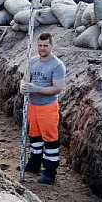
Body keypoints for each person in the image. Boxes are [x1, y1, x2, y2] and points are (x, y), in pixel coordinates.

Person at [22, 33, 65, 185]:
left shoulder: (57, 65)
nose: (42, 48)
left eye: (45, 45)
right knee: (34, 135)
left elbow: (57, 88)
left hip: (48, 107)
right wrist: (23, 86)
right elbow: (26, 78)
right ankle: (34, 163)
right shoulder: (32, 61)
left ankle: (50, 171)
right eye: (40, 45)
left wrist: (36, 89)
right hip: (33, 106)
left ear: (51, 46)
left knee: (50, 139)